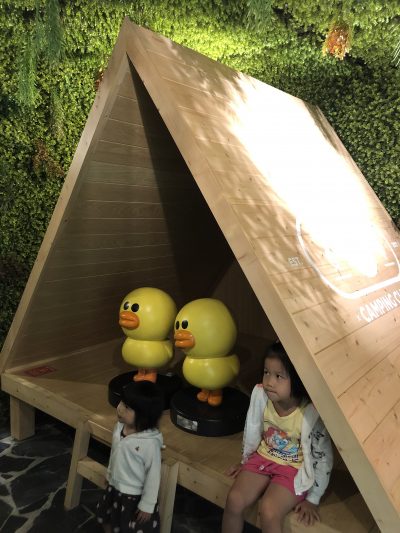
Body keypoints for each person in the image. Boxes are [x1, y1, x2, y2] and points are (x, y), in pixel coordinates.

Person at [222, 341, 333, 533]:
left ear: (297, 379)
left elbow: (323, 458)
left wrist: (313, 499)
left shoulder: (310, 413)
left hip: (293, 469)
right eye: (266, 372)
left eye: (279, 376)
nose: (269, 382)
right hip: (262, 458)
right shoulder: (261, 396)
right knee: (234, 499)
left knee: (269, 510)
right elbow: (252, 430)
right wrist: (245, 461)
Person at [96, 380, 164, 533]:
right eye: (122, 402)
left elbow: (153, 475)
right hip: (115, 486)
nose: (120, 408)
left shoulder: (150, 444)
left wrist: (148, 504)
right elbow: (114, 454)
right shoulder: (118, 428)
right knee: (107, 517)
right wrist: (110, 474)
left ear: (144, 416)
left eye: (127, 407)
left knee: (128, 527)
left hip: (133, 496)